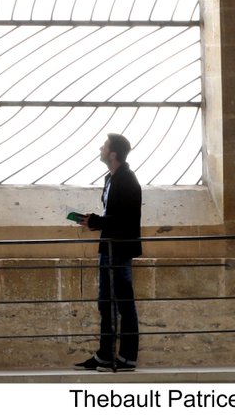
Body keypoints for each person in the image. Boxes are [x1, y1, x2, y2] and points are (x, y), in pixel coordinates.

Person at [73, 133, 142, 372]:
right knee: (106, 303)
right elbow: (112, 217)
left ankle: (126, 358)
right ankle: (105, 355)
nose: (100, 148)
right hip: (109, 247)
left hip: (119, 250)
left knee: (123, 303)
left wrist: (97, 221)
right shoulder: (111, 178)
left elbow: (125, 220)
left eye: (104, 146)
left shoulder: (127, 180)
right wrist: (94, 221)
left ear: (113, 154)